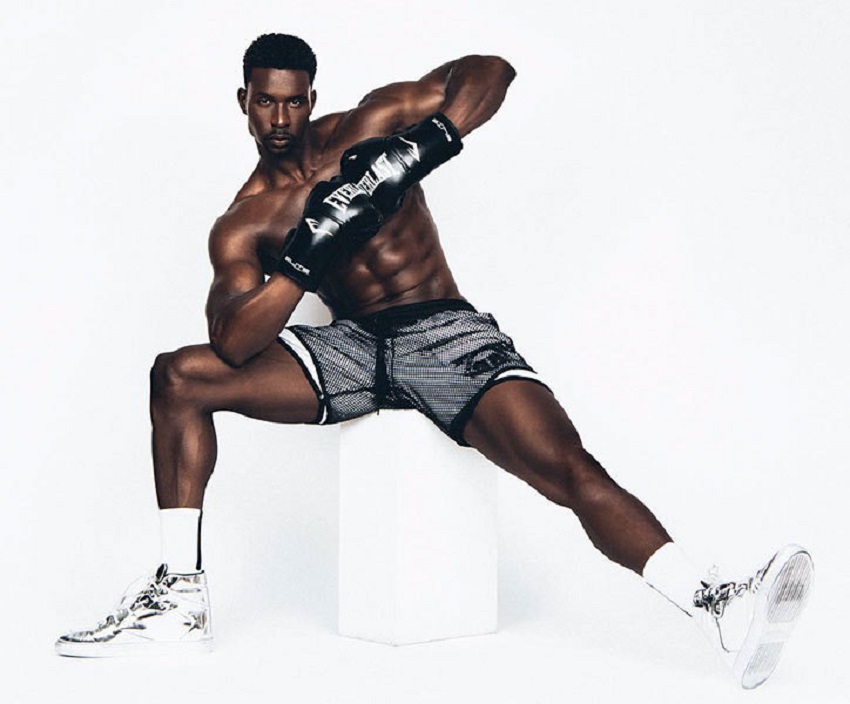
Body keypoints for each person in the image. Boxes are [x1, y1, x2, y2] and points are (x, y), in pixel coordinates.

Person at [55, 33, 812, 689]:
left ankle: (716, 604)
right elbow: (231, 341)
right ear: (243, 102)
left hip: (441, 329)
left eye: (292, 102)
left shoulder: (368, 124)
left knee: (566, 467)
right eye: (264, 103)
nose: (279, 120)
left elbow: (488, 72)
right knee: (178, 375)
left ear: (312, 97)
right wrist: (303, 261)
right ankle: (180, 597)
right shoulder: (242, 221)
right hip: (352, 348)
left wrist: (416, 151)